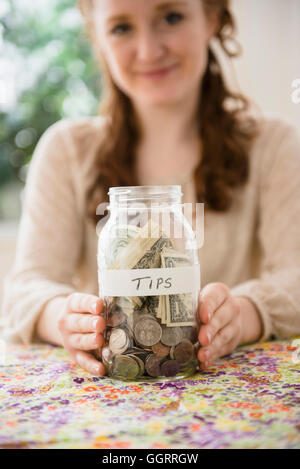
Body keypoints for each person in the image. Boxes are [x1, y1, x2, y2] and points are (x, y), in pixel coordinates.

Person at [1, 0, 300, 378]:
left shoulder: (272, 145)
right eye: (122, 28)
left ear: (212, 17)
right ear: (97, 35)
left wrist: (242, 314)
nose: (149, 50)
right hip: (111, 404)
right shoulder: (66, 150)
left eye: (171, 17)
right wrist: (64, 318)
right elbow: (25, 287)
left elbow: (296, 275)